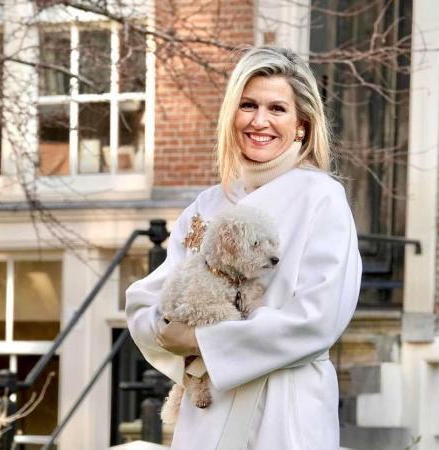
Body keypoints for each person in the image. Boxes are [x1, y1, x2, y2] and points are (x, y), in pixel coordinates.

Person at [126, 46, 362, 450]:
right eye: (248, 105)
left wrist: (205, 341)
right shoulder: (208, 204)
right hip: (209, 407)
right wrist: (166, 331)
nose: (259, 121)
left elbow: (317, 318)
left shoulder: (321, 197)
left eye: (277, 108)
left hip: (284, 408)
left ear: (302, 123)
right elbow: (148, 300)